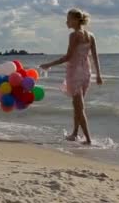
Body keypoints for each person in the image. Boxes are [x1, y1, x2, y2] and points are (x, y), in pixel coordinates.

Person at [40, 8, 103, 145]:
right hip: (87, 72)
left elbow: (68, 57)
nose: (66, 22)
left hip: (75, 72)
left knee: (79, 107)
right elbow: (95, 57)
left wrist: (49, 64)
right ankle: (74, 134)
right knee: (77, 105)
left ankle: (88, 139)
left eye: (68, 19)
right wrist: (98, 75)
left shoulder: (74, 35)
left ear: (75, 20)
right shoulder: (90, 35)